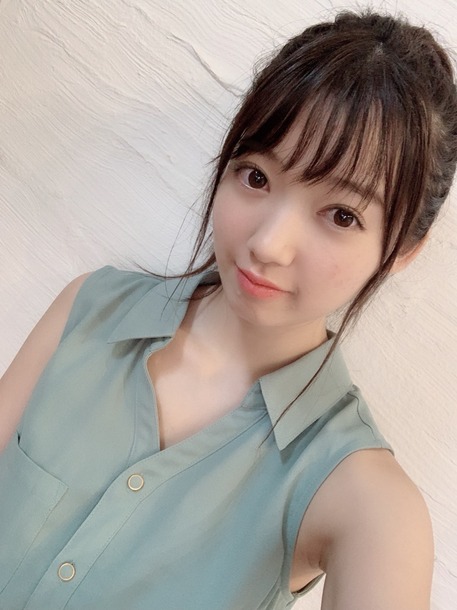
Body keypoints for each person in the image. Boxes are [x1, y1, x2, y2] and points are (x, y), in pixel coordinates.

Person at [0, 8, 456, 610]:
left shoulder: (366, 501)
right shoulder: (90, 308)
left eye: (342, 215)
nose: (268, 244)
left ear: (400, 251)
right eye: (256, 177)